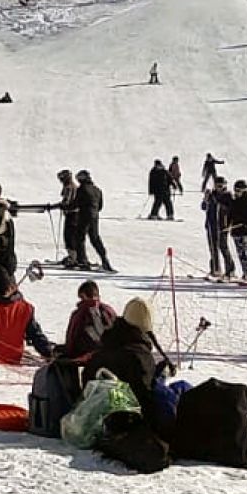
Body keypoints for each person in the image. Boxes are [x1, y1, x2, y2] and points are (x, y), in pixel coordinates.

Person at [85, 299, 174, 432]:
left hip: (95, 412)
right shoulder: (140, 355)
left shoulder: (106, 342)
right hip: (126, 420)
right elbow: (145, 396)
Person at [62, 281, 118, 360]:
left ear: (83, 296)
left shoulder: (82, 312)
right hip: (112, 351)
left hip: (87, 353)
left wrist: (67, 352)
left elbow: (72, 337)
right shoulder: (109, 310)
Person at [74, 170, 114, 272]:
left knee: (80, 238)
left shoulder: (82, 189)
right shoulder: (97, 190)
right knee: (95, 238)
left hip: (84, 216)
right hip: (95, 217)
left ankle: (83, 261)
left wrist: (64, 206)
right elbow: (100, 206)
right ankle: (105, 260)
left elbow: (76, 204)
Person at [204, 177, 238, 280]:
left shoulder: (228, 196)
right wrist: (206, 199)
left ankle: (230, 270)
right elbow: (204, 207)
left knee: (223, 247)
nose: (218, 188)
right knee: (213, 247)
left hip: (222, 225)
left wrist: (229, 224)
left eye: (220, 186)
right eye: (217, 185)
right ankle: (215, 269)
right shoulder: (212, 194)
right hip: (211, 224)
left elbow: (231, 210)